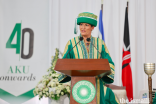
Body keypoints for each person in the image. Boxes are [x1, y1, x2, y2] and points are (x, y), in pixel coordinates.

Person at [58, 12, 120, 104]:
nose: (82, 28)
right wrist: (65, 71)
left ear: (92, 27)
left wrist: (104, 73)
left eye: (86, 25)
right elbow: (64, 63)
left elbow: (109, 63)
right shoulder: (72, 43)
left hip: (97, 85)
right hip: (78, 86)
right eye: (81, 25)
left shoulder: (99, 43)